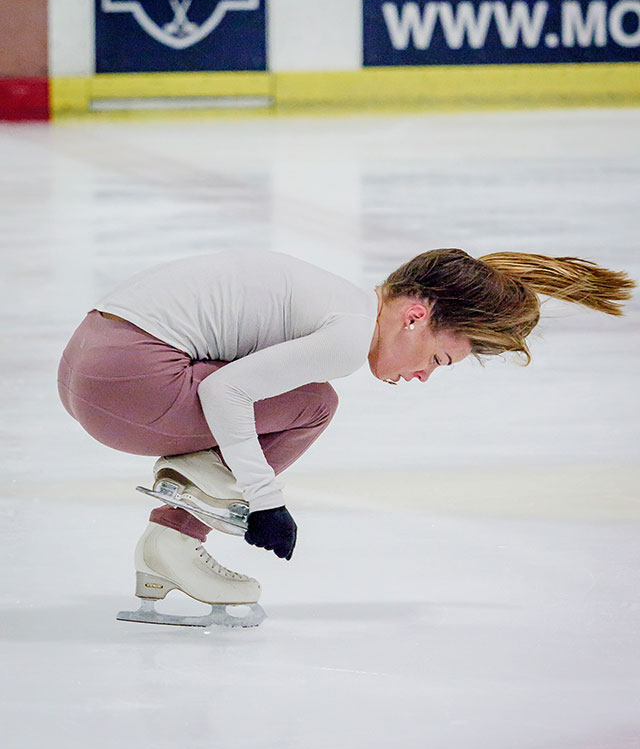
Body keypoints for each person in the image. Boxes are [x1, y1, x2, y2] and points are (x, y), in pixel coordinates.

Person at [57, 248, 635, 627]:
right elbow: (225, 393)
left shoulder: (338, 302)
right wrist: (264, 499)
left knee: (292, 399)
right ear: (414, 315)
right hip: (124, 384)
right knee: (313, 404)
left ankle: (170, 544)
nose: (423, 377)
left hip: (86, 365)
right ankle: (197, 497)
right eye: (437, 358)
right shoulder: (346, 335)